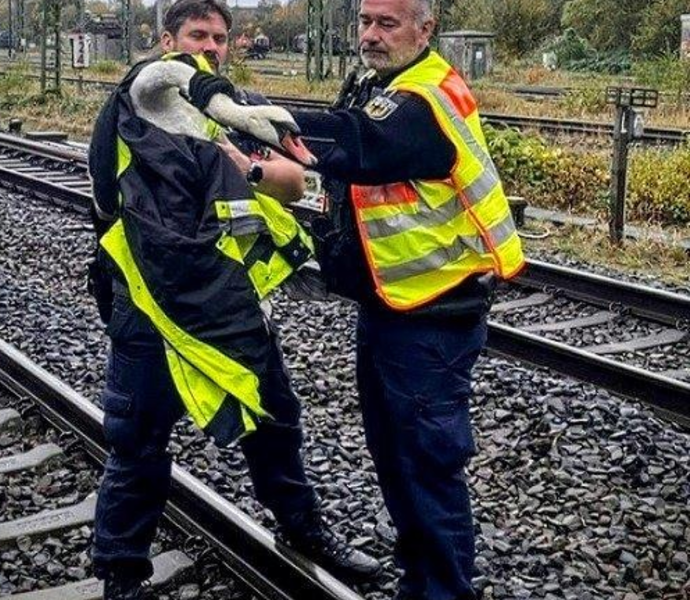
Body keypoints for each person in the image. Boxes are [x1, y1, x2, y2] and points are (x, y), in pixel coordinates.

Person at [206, 0, 526, 597]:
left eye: (388, 23)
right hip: (390, 303)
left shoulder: (427, 98)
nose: (371, 36)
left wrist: (237, 105)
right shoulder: (376, 82)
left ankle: (443, 591)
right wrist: (253, 162)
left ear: (425, 29)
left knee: (426, 467)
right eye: (365, 22)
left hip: (434, 314)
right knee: (395, 458)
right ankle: (419, 582)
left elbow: (355, 142)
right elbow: (333, 158)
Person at [87, 1, 381, 598]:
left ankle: (304, 531)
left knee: (274, 420)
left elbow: (297, 182)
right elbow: (105, 200)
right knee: (138, 440)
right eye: (199, 35)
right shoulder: (132, 108)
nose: (212, 46)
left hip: (230, 300)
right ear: (167, 41)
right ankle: (120, 573)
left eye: (220, 37)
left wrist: (247, 167)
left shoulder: (232, 109)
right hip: (150, 303)